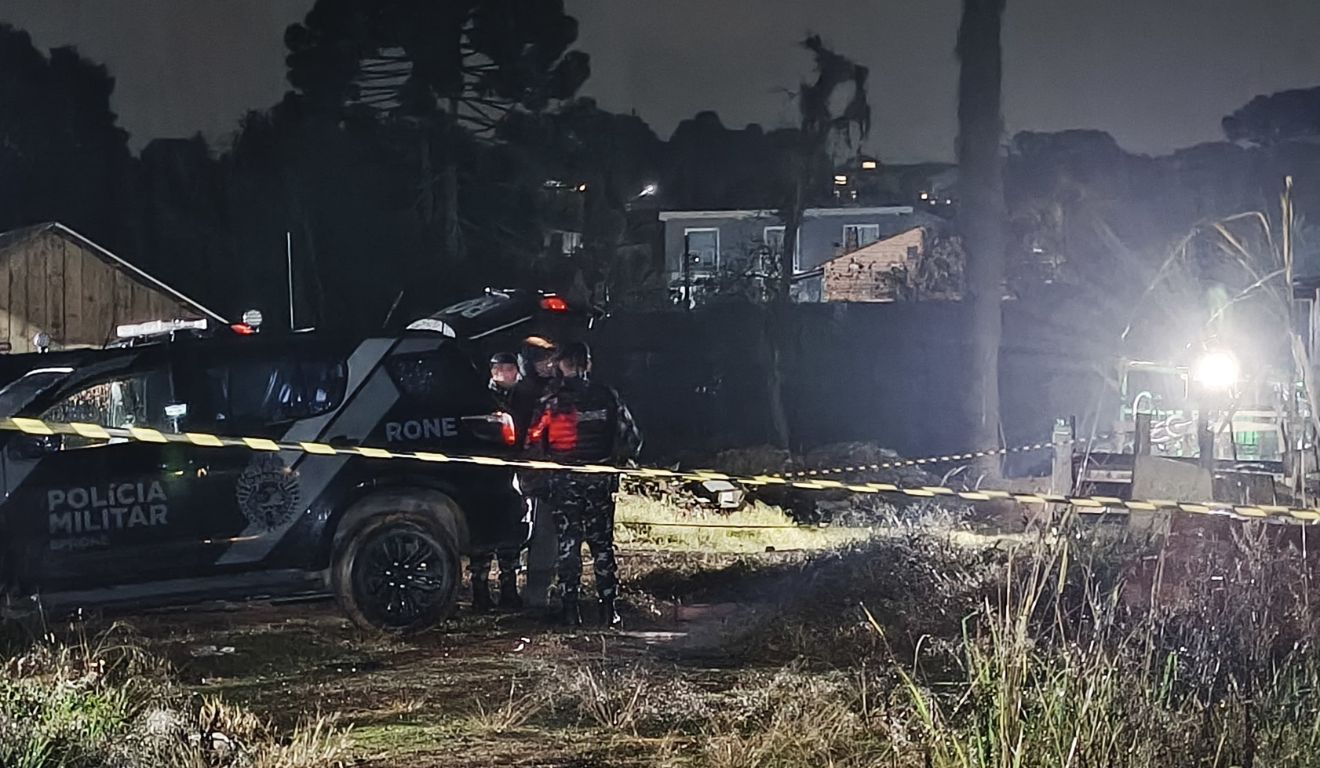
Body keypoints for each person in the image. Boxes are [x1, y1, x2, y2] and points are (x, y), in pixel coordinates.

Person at [528, 341, 642, 627]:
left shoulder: (550, 400)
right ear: (587, 363)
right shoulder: (607, 396)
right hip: (599, 480)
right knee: (602, 545)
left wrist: (539, 478)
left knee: (568, 545)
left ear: (561, 364)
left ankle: (570, 610)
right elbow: (631, 438)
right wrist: (619, 462)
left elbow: (533, 442)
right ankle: (608, 609)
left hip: (564, 483)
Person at [468, 352, 527, 611]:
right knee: (481, 535)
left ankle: (509, 590)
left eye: (509, 368)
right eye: (499, 368)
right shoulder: (478, 399)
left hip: (512, 476)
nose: (504, 373)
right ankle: (479, 591)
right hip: (481, 477)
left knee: (510, 535)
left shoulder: (524, 398)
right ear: (492, 371)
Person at [515, 336, 561, 612]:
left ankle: (541, 593)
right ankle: (524, 590)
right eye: (542, 360)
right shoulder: (522, 393)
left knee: (548, 534)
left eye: (551, 359)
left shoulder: (556, 391)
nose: (548, 365)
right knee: (529, 530)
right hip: (528, 472)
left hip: (550, 475)